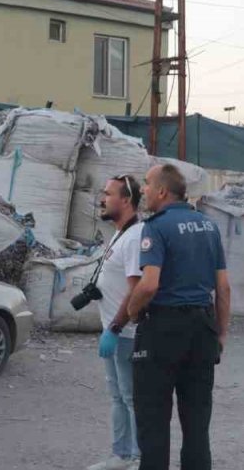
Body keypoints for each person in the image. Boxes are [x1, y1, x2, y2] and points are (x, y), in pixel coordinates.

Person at [127, 164, 232, 470]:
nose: (143, 189)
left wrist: (132, 311)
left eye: (147, 184)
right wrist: (220, 334)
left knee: (153, 422)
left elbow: (149, 284)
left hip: (163, 329)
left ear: (162, 191)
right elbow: (223, 287)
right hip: (202, 330)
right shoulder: (208, 226)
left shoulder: (156, 227)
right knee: (197, 424)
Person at [88, 175, 145, 470]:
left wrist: (115, 328)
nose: (102, 199)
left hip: (126, 332)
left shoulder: (135, 236)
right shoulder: (120, 233)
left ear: (126, 200)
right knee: (117, 396)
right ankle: (120, 455)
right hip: (112, 329)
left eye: (108, 194)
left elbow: (136, 289)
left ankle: (138, 458)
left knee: (131, 397)